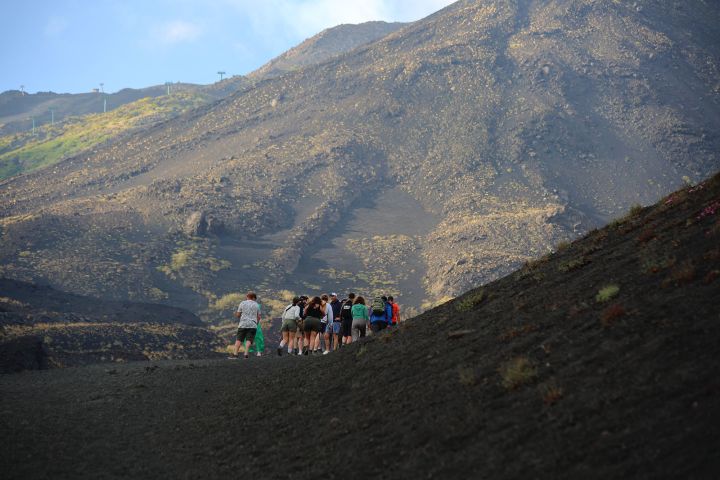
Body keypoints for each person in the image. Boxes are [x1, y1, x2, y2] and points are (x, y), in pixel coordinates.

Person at [231, 291, 261, 359]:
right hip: (253, 324)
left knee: (239, 339)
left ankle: (235, 354)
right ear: (253, 298)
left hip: (243, 324)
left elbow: (238, 315)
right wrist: (256, 323)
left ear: (247, 297)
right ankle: (246, 354)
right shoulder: (256, 305)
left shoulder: (242, 303)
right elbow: (258, 317)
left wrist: (237, 314)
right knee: (249, 339)